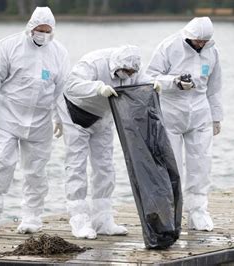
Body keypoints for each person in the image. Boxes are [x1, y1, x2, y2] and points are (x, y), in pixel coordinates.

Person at [0, 7, 70, 233]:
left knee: (36, 172)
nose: (42, 34)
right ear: (30, 27)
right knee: (1, 163)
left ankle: (32, 217)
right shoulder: (9, 46)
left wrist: (61, 119)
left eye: (47, 31)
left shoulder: (59, 53)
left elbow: (62, 89)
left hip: (40, 122)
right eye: (39, 29)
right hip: (9, 117)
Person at [58, 45, 160, 239]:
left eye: (132, 72)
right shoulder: (93, 62)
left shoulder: (131, 68)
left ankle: (103, 219)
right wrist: (97, 87)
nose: (129, 75)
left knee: (105, 167)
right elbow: (71, 85)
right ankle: (78, 218)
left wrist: (152, 85)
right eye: (126, 71)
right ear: (116, 66)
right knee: (76, 165)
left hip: (103, 117)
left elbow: (141, 80)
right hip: (75, 114)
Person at [146, 17, 223, 231]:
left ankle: (198, 210)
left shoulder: (212, 52)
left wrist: (216, 118)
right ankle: (170, 211)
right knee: (172, 165)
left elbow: (215, 88)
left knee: (201, 163)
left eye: (203, 41)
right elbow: (149, 77)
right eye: (197, 40)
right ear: (189, 35)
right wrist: (175, 82)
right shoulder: (169, 46)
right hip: (171, 111)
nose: (199, 44)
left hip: (200, 113)